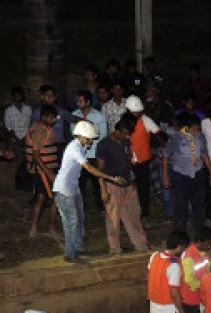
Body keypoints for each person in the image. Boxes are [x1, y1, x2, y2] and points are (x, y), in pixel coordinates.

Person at [53, 121, 127, 262]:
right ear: (81, 136)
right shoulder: (74, 148)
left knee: (79, 219)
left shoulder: (81, 146)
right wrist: (111, 178)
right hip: (64, 190)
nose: (91, 141)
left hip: (73, 188)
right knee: (71, 222)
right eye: (90, 138)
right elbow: (90, 169)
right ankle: (70, 254)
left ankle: (79, 248)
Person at [95, 117, 148, 255]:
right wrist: (103, 190)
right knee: (113, 219)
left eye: (128, 134)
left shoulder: (126, 141)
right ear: (116, 131)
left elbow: (128, 162)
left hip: (128, 184)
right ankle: (114, 248)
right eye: (124, 133)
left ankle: (140, 245)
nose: (126, 136)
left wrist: (133, 180)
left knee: (133, 215)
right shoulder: (103, 145)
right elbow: (99, 169)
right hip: (112, 185)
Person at [163, 113, 211, 233]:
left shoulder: (201, 137)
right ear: (187, 127)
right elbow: (165, 155)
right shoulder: (176, 138)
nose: (197, 132)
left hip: (197, 174)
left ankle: (200, 233)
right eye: (195, 129)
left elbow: (204, 154)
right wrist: (165, 176)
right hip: (181, 175)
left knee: (198, 205)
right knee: (181, 206)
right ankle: (180, 234)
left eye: (199, 129)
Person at [125, 95, 164, 219]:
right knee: (127, 184)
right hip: (127, 158)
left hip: (143, 159)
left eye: (138, 112)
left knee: (143, 185)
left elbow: (159, 133)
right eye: (134, 112)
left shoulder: (145, 120)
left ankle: (144, 210)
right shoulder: (123, 121)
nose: (137, 114)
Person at [25, 105, 59, 239]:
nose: (54, 120)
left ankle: (35, 228)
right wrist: (49, 173)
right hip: (43, 170)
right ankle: (49, 228)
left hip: (43, 170)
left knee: (42, 197)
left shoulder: (39, 127)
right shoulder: (40, 131)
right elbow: (36, 155)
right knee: (51, 198)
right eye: (52, 117)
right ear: (44, 117)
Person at [72, 89, 107, 212]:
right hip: (80, 154)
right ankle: (81, 205)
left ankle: (99, 205)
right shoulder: (74, 115)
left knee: (97, 181)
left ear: (88, 102)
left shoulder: (99, 116)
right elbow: (74, 135)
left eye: (80, 100)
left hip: (94, 154)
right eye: (77, 100)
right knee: (80, 182)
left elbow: (103, 136)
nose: (78, 103)